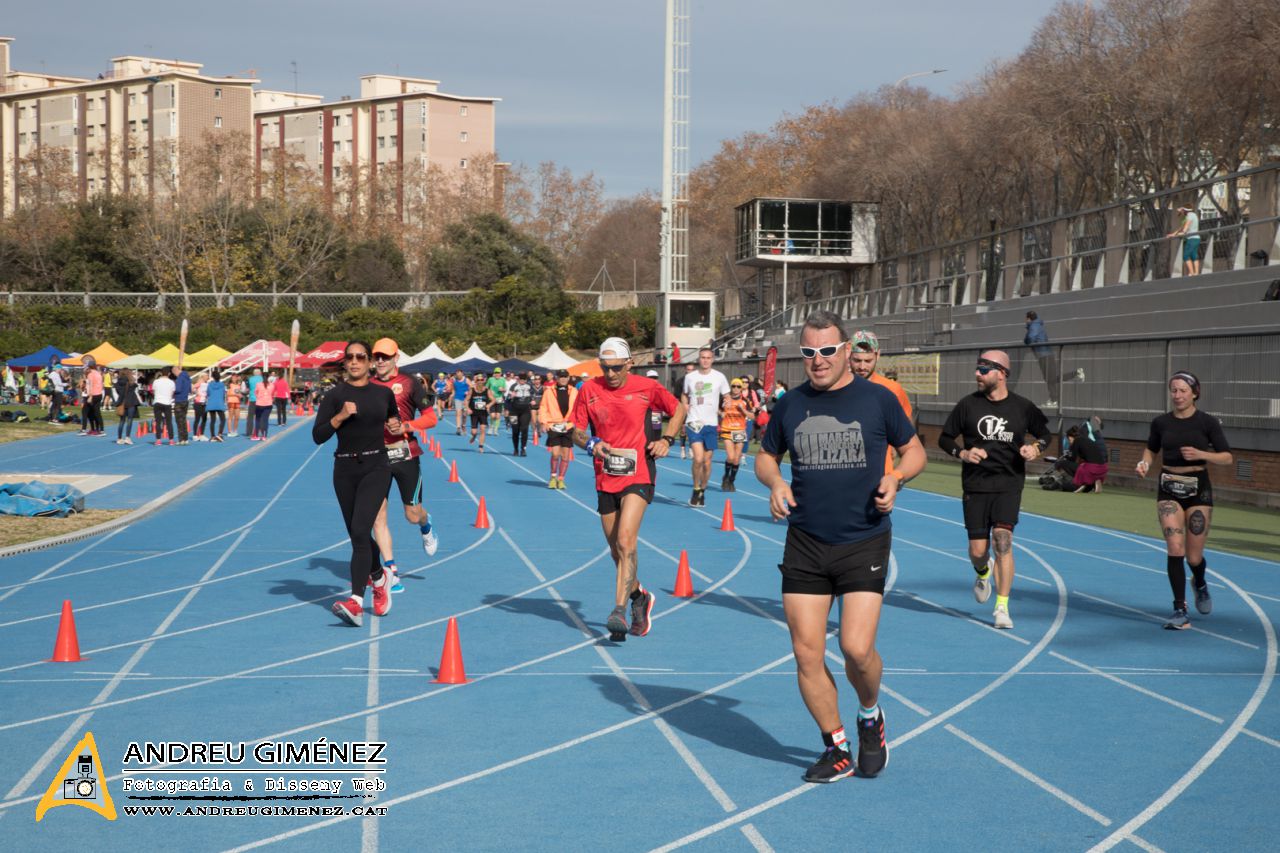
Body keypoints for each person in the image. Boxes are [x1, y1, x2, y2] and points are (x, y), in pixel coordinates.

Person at [755, 310, 925, 782]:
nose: (818, 360)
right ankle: (837, 746)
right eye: (809, 353)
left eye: (827, 351)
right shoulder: (790, 405)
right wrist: (773, 482)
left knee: (855, 649)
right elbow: (766, 457)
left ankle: (870, 715)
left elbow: (915, 451)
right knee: (806, 652)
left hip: (863, 538)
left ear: (847, 350)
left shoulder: (878, 400)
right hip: (806, 540)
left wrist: (895, 476)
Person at [568, 337, 686, 641]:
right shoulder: (589, 390)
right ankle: (639, 597)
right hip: (605, 476)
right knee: (615, 551)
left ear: (629, 364)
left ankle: (618, 609)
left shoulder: (646, 388)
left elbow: (679, 410)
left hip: (639, 472)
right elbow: (576, 431)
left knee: (625, 540)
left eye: (617, 367)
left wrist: (667, 440)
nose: (610, 374)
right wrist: (593, 444)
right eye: (605, 368)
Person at [938, 350, 1050, 630]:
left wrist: (1035, 448)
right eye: (977, 368)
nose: (978, 373)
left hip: (1009, 484)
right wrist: (963, 454)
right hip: (976, 485)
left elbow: (1046, 434)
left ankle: (1002, 607)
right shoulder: (967, 405)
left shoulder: (1023, 407)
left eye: (984, 369)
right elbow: (944, 437)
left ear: (1002, 373)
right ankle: (982, 570)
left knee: (1003, 540)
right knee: (978, 550)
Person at [313, 341, 401, 627]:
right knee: (356, 535)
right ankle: (379, 577)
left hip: (377, 466)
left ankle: (356, 602)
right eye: (349, 357)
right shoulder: (335, 395)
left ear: (369, 362)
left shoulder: (383, 393)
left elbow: (393, 420)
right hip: (344, 468)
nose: (354, 361)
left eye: (360, 357)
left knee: (362, 529)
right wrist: (339, 417)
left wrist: (396, 427)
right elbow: (318, 435)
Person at [1136, 371, 1232, 630]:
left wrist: (1202, 454)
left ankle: (1199, 582)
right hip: (1169, 488)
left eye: (1182, 391)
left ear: (1194, 393)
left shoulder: (1207, 423)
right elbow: (1151, 448)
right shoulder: (1161, 422)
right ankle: (1179, 610)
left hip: (1198, 489)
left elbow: (1227, 457)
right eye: (1174, 390)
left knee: (1193, 557)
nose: (1177, 395)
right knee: (1175, 549)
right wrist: (1145, 463)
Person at [369, 338, 440, 594]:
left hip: (406, 454)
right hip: (376, 456)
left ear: (396, 358)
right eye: (376, 356)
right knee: (378, 516)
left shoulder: (409, 383)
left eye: (385, 357)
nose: (380, 361)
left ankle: (426, 524)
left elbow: (431, 418)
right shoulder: (367, 384)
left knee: (412, 515)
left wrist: (407, 426)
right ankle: (391, 571)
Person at [850, 330, 913, 475]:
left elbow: (909, 439)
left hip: (880, 477)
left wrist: (897, 475)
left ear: (878, 355)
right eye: (857, 360)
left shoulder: (892, 390)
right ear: (848, 355)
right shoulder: (837, 387)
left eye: (868, 361)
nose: (862, 367)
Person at [681, 346, 731, 506]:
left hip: (711, 424)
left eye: (708, 358)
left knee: (707, 463)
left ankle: (702, 490)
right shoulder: (690, 377)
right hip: (694, 422)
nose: (705, 360)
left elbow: (727, 395)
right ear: (698, 359)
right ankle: (695, 488)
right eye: (702, 357)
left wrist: (727, 402)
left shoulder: (719, 377)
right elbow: (684, 394)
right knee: (698, 458)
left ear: (712, 359)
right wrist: (685, 406)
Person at [539, 368, 578, 489]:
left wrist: (577, 421)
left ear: (568, 378)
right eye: (561, 377)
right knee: (555, 454)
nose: (563, 379)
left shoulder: (574, 391)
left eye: (565, 377)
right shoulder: (549, 391)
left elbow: (578, 407)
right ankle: (552, 477)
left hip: (568, 425)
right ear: (557, 378)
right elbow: (543, 407)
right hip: (553, 425)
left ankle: (561, 479)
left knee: (565, 456)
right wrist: (543, 422)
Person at [717, 379, 756, 492]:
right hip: (727, 429)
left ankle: (731, 480)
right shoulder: (725, 398)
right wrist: (721, 413)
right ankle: (725, 477)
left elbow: (752, 416)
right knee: (730, 456)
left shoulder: (745, 400)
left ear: (741, 388)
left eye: (738, 387)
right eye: (733, 386)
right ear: (731, 387)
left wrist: (743, 410)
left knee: (737, 458)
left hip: (739, 430)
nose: (736, 389)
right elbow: (717, 408)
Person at [1024, 311, 1060, 408]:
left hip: (1044, 355)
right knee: (1051, 378)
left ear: (1028, 318)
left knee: (1050, 378)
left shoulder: (1034, 326)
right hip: (1046, 354)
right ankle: (1054, 399)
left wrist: (1026, 339)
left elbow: (1030, 339)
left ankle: (1054, 400)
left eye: (1026, 319)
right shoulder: (1037, 325)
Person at [1070, 415, 1108, 492]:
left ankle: (1085, 482)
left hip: (1095, 453)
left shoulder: (1085, 426)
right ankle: (1096, 481)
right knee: (1095, 467)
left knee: (1084, 467)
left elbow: (1083, 441)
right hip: (1103, 458)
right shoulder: (1098, 433)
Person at [1166, 205, 1201, 277]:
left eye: (1182, 211)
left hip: (1192, 239)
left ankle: (1192, 273)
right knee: (1194, 255)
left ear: (1185, 210)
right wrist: (1173, 234)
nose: (1181, 212)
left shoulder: (1189, 216)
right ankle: (1196, 273)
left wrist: (1175, 235)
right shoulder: (1193, 215)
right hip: (1196, 238)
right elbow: (1181, 227)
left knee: (1185, 256)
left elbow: (1184, 230)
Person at [505, 372, 534, 456]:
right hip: (514, 411)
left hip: (525, 411)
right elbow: (507, 398)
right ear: (518, 379)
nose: (522, 381)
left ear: (526, 379)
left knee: (524, 429)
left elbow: (533, 395)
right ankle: (516, 449)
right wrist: (511, 397)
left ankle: (523, 448)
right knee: (515, 430)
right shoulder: (513, 386)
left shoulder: (529, 386)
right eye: (520, 379)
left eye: (524, 379)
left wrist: (532, 400)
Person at [465, 372, 493, 452]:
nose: (480, 381)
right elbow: (466, 400)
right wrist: (468, 409)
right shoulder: (472, 390)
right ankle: (474, 436)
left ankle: (481, 446)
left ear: (484, 381)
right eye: (478, 380)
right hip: (474, 413)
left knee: (483, 429)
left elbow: (493, 400)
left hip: (483, 413)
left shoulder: (487, 390)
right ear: (476, 381)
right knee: (474, 431)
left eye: (481, 380)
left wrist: (489, 405)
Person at [672, 363, 695, 459]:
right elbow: (676, 397)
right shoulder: (680, 382)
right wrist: (682, 406)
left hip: (694, 409)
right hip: (683, 408)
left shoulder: (697, 381)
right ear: (686, 370)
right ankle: (682, 450)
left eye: (692, 369)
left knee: (693, 430)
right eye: (688, 369)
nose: (690, 371)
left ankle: (690, 449)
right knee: (683, 430)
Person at [114, 369, 140, 445]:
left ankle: (119, 438)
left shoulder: (118, 383)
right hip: (131, 402)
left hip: (122, 402)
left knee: (122, 421)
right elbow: (135, 386)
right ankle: (127, 437)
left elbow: (118, 392)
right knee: (129, 420)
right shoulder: (131, 382)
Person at [152, 367, 177, 445]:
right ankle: (171, 440)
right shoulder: (171, 382)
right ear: (169, 373)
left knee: (158, 421)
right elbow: (172, 393)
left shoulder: (156, 381)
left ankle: (158, 439)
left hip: (157, 402)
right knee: (169, 422)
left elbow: (154, 391)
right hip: (167, 403)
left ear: (161, 373)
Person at [205, 368, 227, 443]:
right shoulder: (222, 385)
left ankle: (212, 436)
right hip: (219, 404)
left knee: (212, 420)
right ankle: (220, 433)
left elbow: (208, 393)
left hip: (211, 404)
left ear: (213, 377)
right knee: (223, 419)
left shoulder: (210, 385)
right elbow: (224, 394)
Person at [173, 364, 192, 444]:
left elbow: (178, 389)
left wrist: (173, 390)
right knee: (183, 420)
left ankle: (181, 439)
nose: (174, 374)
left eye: (174, 373)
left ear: (176, 371)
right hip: (185, 400)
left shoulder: (180, 378)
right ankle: (185, 438)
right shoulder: (188, 378)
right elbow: (190, 389)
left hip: (179, 400)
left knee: (179, 421)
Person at [486, 367, 508, 434]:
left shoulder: (503, 380)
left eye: (498, 373)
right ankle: (491, 427)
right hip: (492, 399)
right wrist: (489, 391)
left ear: (501, 373)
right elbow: (486, 388)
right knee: (492, 415)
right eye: (496, 373)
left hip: (499, 399)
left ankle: (495, 429)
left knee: (498, 416)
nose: (497, 374)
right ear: (494, 373)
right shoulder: (490, 379)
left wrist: (503, 390)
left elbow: (505, 389)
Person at [252, 372, 273, 441]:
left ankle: (256, 435)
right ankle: (264, 435)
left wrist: (259, 397)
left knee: (257, 419)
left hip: (259, 404)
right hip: (268, 404)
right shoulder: (272, 385)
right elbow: (272, 393)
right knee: (265, 420)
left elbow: (255, 392)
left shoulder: (258, 384)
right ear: (268, 377)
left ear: (262, 377)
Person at [451, 369, 470, 436]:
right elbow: (453, 390)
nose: (458, 375)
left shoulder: (466, 380)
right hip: (457, 398)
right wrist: (451, 395)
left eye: (459, 374)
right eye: (457, 374)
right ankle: (458, 428)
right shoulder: (454, 381)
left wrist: (468, 392)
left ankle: (463, 425)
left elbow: (472, 387)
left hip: (465, 399)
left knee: (464, 415)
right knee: (458, 413)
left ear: (462, 374)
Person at [226, 374, 244, 439]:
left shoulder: (239, 385)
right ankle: (230, 431)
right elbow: (228, 394)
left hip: (237, 402)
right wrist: (236, 394)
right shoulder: (229, 385)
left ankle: (235, 430)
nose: (234, 379)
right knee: (230, 417)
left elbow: (239, 392)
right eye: (233, 378)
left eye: (235, 378)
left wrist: (240, 395)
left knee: (237, 417)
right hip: (231, 401)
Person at [192, 372, 209, 440]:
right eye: (207, 376)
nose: (208, 377)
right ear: (202, 377)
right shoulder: (199, 383)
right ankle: (195, 435)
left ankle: (202, 434)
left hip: (204, 403)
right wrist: (196, 392)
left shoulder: (207, 384)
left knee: (204, 419)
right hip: (198, 403)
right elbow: (192, 387)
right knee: (197, 419)